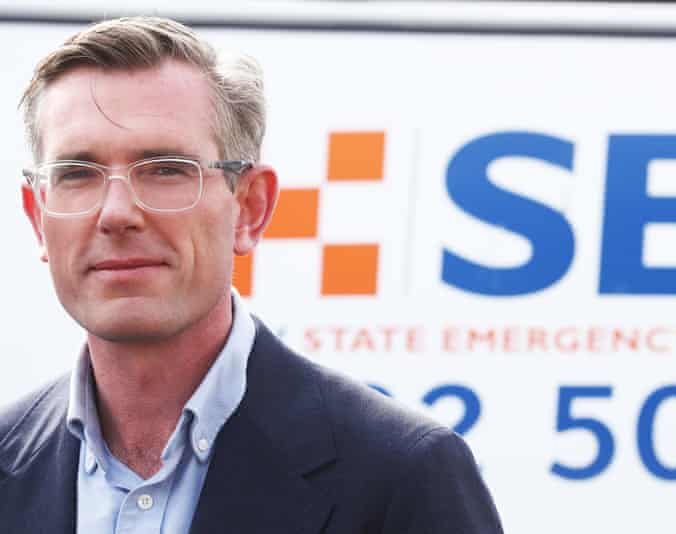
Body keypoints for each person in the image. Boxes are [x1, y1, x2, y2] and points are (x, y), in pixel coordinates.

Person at [0, 16, 503, 533]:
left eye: (167, 168)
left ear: (249, 208)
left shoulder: (403, 476)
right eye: (77, 174)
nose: (116, 213)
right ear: (38, 216)